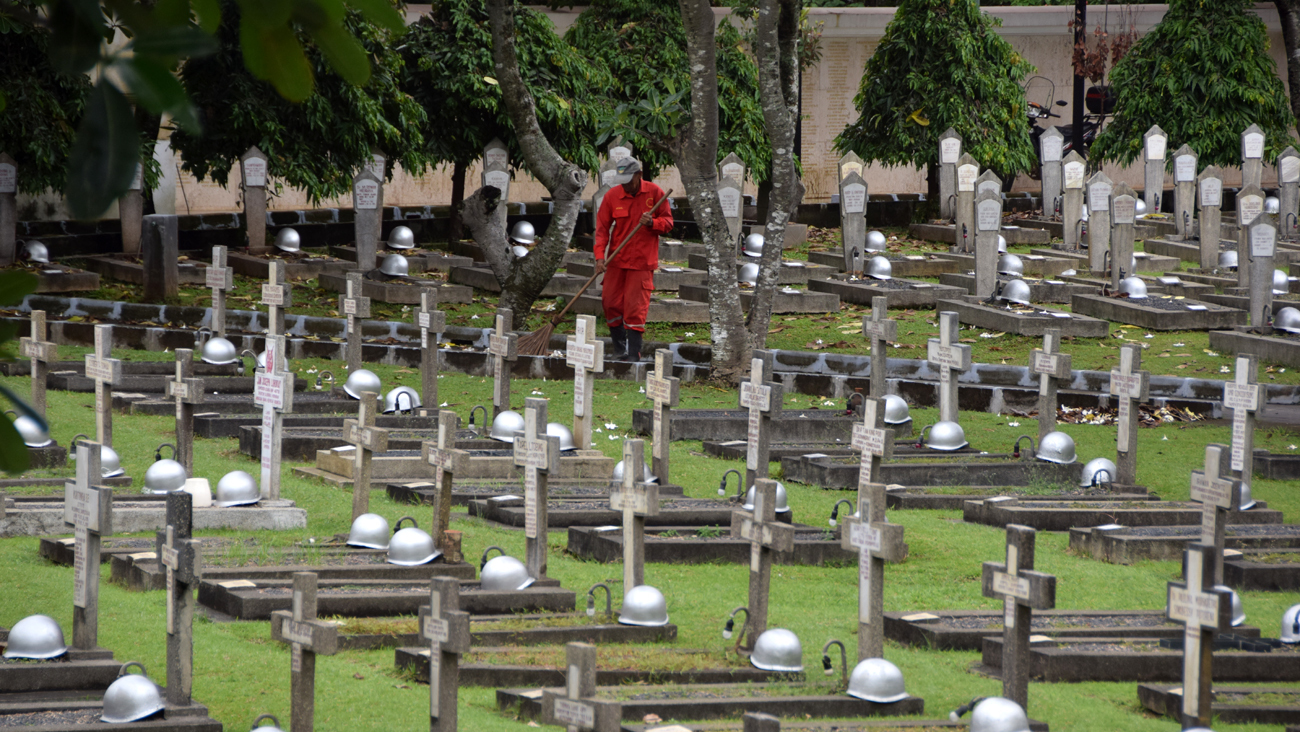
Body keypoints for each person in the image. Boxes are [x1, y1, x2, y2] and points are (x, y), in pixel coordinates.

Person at [594, 158, 674, 361]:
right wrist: (599, 258)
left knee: (634, 307)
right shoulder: (612, 196)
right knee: (610, 302)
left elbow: (668, 223)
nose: (626, 185)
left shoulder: (655, 193)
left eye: (629, 180)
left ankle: (633, 354)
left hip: (642, 262)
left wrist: (652, 223)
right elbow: (602, 230)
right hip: (616, 260)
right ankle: (618, 349)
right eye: (623, 181)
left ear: (639, 175)